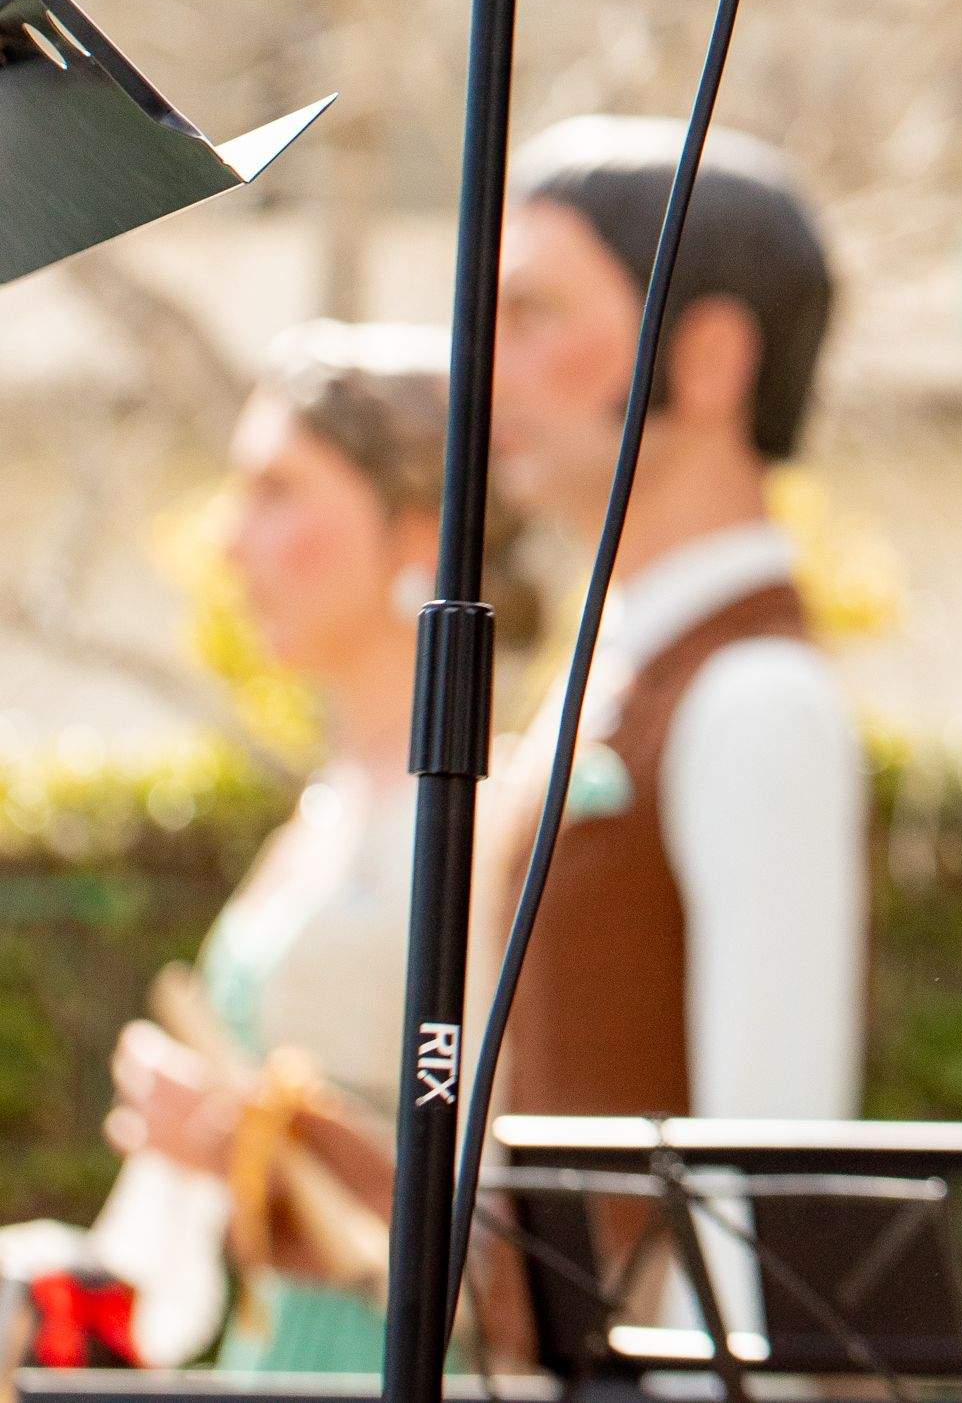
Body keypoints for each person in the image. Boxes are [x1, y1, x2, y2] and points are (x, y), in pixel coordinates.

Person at [104, 323, 534, 1374]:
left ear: (419, 530)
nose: (226, 539)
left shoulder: (516, 816)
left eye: (279, 489)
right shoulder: (320, 812)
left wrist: (252, 1145)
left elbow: (535, 1248)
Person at [478, 115, 865, 1133]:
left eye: (534, 315)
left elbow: (765, 1168)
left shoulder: (755, 700)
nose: (488, 365)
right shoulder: (622, 673)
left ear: (707, 357)